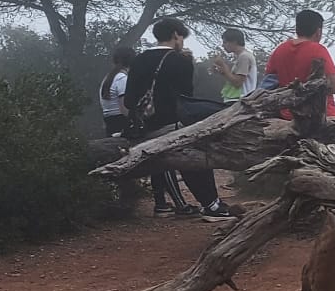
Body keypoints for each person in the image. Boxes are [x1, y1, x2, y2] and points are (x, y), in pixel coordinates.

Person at [124, 18, 234, 221]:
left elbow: (129, 99)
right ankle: (211, 204)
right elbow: (186, 97)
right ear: (176, 35)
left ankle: (167, 203)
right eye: (182, 37)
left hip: (143, 126)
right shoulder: (180, 61)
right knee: (196, 158)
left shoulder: (138, 59)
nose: (182, 41)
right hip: (172, 122)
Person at [264, 9, 335, 118]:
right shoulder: (318, 50)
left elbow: (269, 82)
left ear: (297, 29)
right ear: (318, 32)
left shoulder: (280, 50)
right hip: (321, 116)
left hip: (288, 115)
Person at [209, 28, 257, 101]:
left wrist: (224, 66)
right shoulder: (241, 57)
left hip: (240, 100)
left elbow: (238, 82)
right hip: (237, 100)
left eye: (225, 42)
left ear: (234, 42)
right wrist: (222, 71)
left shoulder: (244, 57)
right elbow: (234, 79)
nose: (223, 45)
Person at [99, 45, 135, 137]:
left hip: (110, 123)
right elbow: (124, 108)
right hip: (121, 123)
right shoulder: (122, 78)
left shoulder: (107, 78)